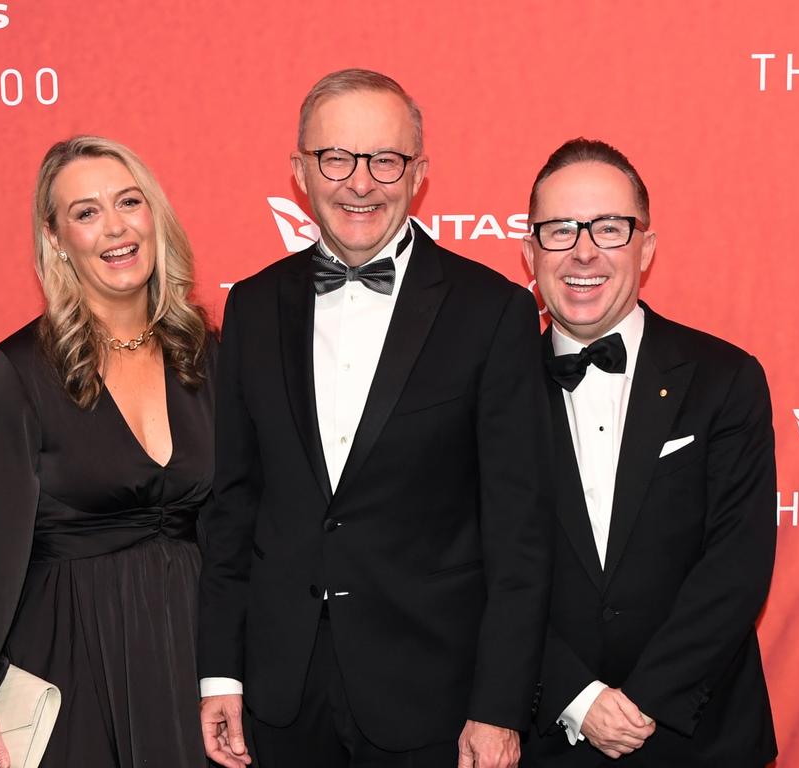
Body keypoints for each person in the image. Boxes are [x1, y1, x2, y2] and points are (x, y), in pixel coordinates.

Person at [198, 68, 553, 768]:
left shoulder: (493, 312)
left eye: (384, 159)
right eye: (335, 157)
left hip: (435, 701)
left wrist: (499, 706)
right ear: (299, 170)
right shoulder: (252, 307)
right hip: (280, 696)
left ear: (419, 173)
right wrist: (220, 673)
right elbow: (232, 509)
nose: (360, 182)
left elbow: (521, 534)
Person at [0, 135, 215, 767]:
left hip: (199, 654)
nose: (115, 227)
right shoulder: (20, 371)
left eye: (129, 202)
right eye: (86, 212)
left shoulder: (210, 354)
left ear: (154, 215)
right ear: (55, 239)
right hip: (74, 658)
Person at [519, 138, 777, 767]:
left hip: (701, 735)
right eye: (560, 230)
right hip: (547, 735)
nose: (584, 250)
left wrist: (643, 701)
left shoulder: (726, 377)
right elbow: (468, 562)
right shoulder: (489, 390)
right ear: (530, 253)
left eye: (610, 228)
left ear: (648, 249)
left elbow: (737, 564)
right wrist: (579, 698)